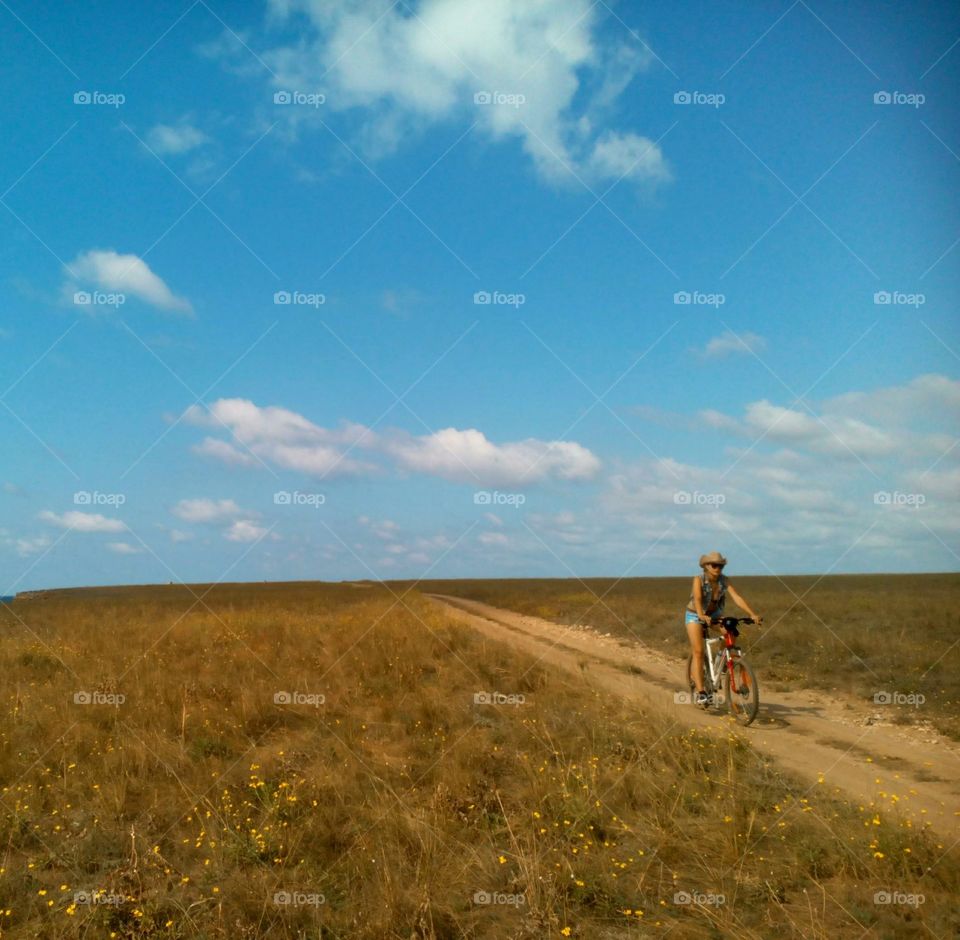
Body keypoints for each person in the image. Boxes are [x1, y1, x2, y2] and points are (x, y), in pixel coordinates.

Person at [685, 551, 762, 707]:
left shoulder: (724, 580)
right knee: (698, 652)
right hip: (694, 615)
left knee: (730, 631)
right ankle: (701, 692)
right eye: (714, 565)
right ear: (706, 566)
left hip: (714, 615)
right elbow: (698, 599)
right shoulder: (698, 580)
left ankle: (723, 660)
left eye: (720, 565)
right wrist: (701, 615)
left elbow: (737, 597)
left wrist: (752, 614)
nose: (718, 568)